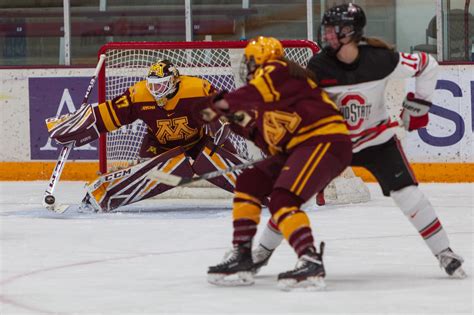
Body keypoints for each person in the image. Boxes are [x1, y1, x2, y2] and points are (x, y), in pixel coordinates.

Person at [252, 3, 466, 279]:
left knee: (408, 195)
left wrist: (418, 105)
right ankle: (261, 253)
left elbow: (428, 65)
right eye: (326, 29)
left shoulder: (381, 60)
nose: (326, 35)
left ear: (351, 33)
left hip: (377, 141)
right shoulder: (318, 66)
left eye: (332, 29)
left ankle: (444, 252)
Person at [199, 36, 353, 290]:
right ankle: (242, 255)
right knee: (250, 181)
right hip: (301, 148)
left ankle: (309, 259)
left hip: (324, 142)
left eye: (249, 62)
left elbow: (246, 96)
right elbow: (263, 135)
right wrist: (230, 119)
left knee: (284, 198)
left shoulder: (278, 70)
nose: (246, 68)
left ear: (260, 60)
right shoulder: (268, 99)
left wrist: (220, 105)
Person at [47, 59, 243, 212]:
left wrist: (223, 123)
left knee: (227, 159)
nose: (155, 90)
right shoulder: (139, 94)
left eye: (161, 85)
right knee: (146, 174)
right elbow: (110, 113)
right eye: (152, 85)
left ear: (174, 81)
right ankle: (101, 194)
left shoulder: (196, 89)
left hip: (199, 142)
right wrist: (79, 127)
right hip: (158, 148)